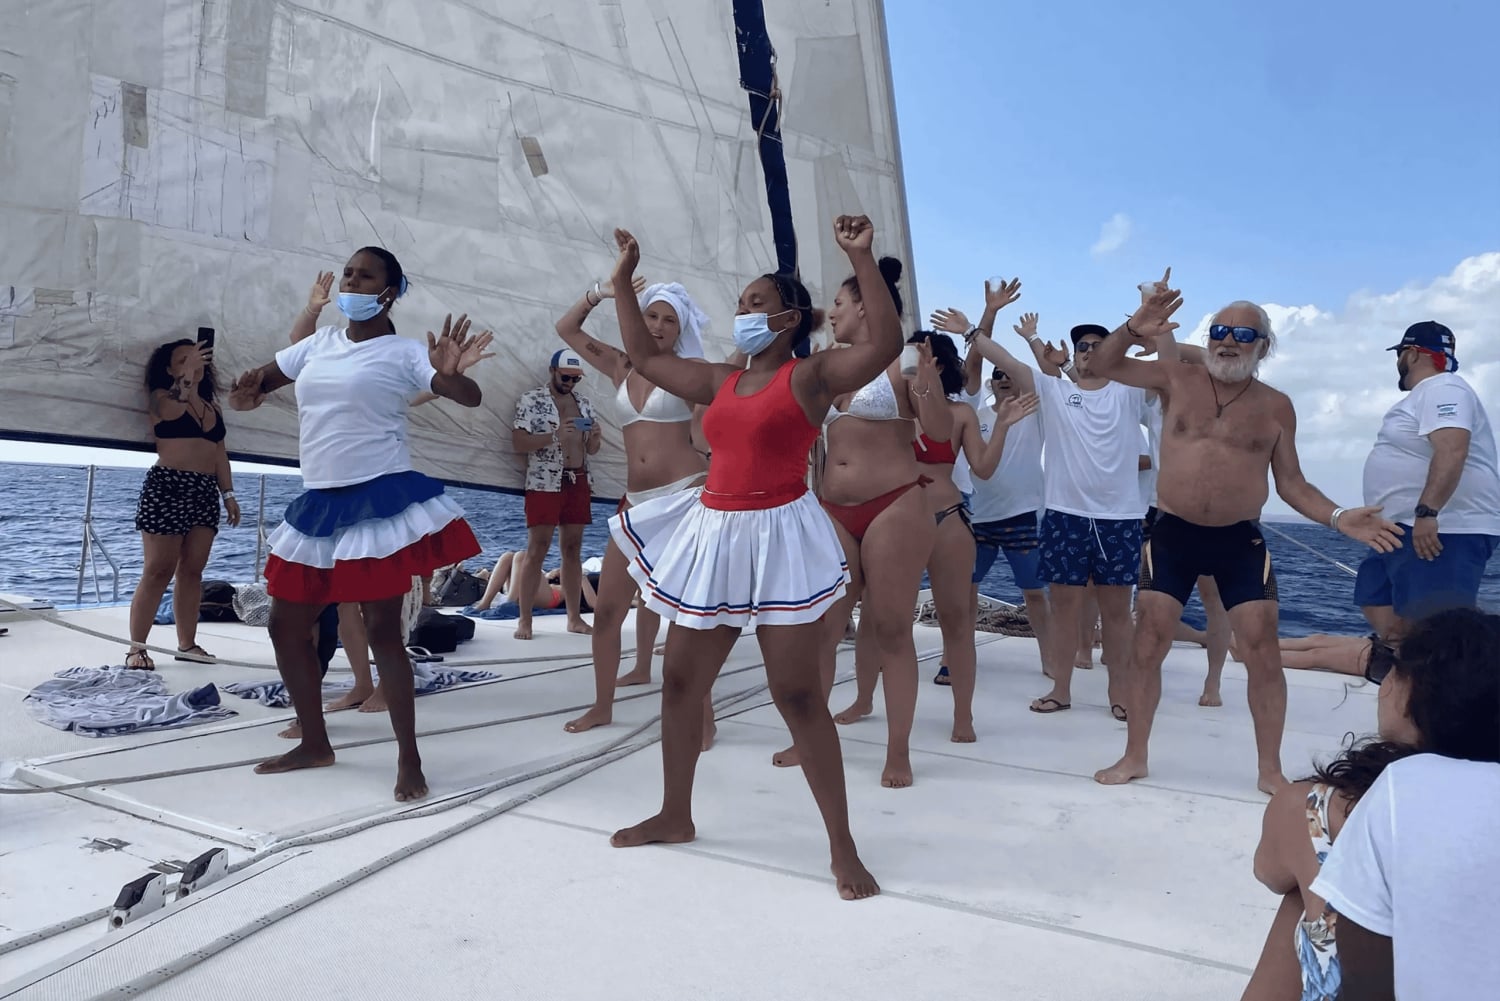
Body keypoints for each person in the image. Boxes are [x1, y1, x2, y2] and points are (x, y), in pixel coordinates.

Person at [604, 216, 893, 900]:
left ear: (789, 319)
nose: (744, 312)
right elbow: (642, 356)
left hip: (779, 534)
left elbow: (883, 344)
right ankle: (675, 814)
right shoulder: (721, 380)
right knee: (680, 683)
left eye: (756, 302)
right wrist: (621, 280)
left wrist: (861, 257)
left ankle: (843, 846)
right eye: (740, 302)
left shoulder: (810, 376)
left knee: (797, 694)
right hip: (715, 532)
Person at [1085, 289, 1402, 793]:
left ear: (1263, 346)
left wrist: (1339, 517)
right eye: (1219, 331)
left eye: (1243, 333)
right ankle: (1134, 756)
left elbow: (1292, 483)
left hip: (1238, 540)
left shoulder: (1276, 407)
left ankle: (1269, 770)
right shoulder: (1175, 379)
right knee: (1149, 642)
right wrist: (1133, 326)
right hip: (1172, 532)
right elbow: (1101, 366)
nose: (1228, 341)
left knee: (1262, 651)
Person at [228, 246, 486, 802]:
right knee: (284, 625)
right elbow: (257, 386)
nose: (350, 282)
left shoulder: (404, 352)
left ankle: (409, 760)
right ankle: (314, 742)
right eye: (348, 273)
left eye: (364, 276)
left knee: (382, 631)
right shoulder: (316, 345)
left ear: (389, 292)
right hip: (320, 501)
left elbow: (467, 396)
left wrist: (449, 374)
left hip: (378, 499)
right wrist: (245, 394)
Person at [1243, 608, 1500, 1000]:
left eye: (1389, 668)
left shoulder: (1321, 805)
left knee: (1304, 890)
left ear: (1414, 695)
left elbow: (1267, 871)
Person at [287, 270, 493, 716]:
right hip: (334, 497)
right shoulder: (335, 357)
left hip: (384, 498)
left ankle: (385, 684)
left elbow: (438, 389)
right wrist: (313, 308)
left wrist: (453, 373)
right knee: (346, 605)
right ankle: (362, 682)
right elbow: (298, 350)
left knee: (385, 608)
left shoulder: (398, 366)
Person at [795, 257, 944, 787]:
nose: (832, 312)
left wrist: (925, 384)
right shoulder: (830, 365)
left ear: (864, 305)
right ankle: (809, 740)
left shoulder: (904, 359)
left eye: (838, 302)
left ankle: (898, 752)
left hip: (893, 504)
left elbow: (938, 430)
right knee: (822, 629)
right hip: (833, 508)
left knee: (891, 629)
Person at [968, 309, 1151, 722]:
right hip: (1065, 516)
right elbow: (1008, 362)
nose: (1089, 351)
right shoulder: (1053, 393)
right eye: (1082, 346)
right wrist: (971, 331)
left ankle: (1119, 693)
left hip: (1120, 519)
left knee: (1117, 615)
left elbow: (1169, 370)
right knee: (1064, 611)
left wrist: (1149, 333)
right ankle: (1061, 690)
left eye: (1098, 346)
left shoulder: (1129, 392)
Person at [552, 276, 714, 735]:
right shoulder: (622, 364)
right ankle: (602, 706)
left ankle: (704, 718)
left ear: (681, 329)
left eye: (669, 320)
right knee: (607, 611)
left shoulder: (692, 370)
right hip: (635, 503)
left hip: (684, 498)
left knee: (687, 616)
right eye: (651, 315)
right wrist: (601, 292)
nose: (658, 326)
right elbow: (567, 329)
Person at [1355, 320, 1500, 642]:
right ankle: (1405, 669)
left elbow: (1453, 449)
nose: (1398, 362)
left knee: (1436, 636)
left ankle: (1435, 673)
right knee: (1384, 613)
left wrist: (1427, 512)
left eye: (1400, 354)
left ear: (1413, 353)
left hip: (1442, 530)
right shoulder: (1429, 394)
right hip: (1397, 529)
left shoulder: (1444, 388)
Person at [126, 339, 242, 669]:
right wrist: (187, 376)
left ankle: (187, 644)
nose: (193, 364)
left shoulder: (212, 407)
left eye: (197, 358)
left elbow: (219, 453)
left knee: (192, 571)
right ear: (168, 369)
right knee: (158, 570)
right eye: (183, 360)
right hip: (168, 486)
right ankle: (136, 648)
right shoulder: (162, 397)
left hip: (204, 490)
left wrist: (228, 494)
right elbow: (174, 409)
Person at [511, 349, 603, 640]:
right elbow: (518, 442)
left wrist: (595, 437)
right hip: (544, 481)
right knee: (537, 549)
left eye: (576, 379)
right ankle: (525, 620)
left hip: (577, 479)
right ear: (553, 371)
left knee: (573, 549)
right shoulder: (531, 400)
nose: (571, 383)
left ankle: (574, 618)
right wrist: (554, 437)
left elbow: (591, 450)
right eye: (566, 377)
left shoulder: (583, 403)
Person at [471, 551, 600, 615]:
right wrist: (550, 575)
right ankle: (485, 604)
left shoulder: (594, 580)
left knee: (523, 556)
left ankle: (510, 603)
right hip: (541, 591)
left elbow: (594, 604)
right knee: (508, 556)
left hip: (553, 598)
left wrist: (581, 577)